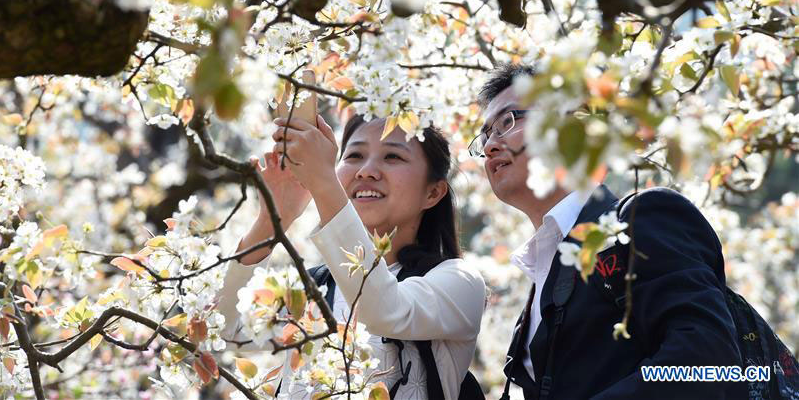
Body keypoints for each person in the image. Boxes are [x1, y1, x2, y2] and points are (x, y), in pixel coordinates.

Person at [474, 62, 744, 399]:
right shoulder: (542, 274)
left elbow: (707, 359)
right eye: (485, 136)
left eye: (507, 122)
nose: (489, 146)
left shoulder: (639, 219)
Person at [218, 113, 486, 399]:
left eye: (393, 157)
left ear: (433, 193)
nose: (366, 171)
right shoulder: (316, 287)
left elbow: (387, 311)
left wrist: (322, 183)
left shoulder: (459, 281)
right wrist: (273, 218)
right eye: (355, 155)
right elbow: (231, 329)